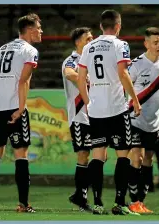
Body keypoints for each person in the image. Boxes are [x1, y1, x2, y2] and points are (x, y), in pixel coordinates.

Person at [0, 13, 43, 213]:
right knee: (20, 154)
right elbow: (23, 81)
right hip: (13, 106)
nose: (41, 32)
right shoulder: (30, 51)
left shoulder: (1, 49)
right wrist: (21, 108)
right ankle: (23, 204)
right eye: (39, 28)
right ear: (30, 30)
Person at [77, 9, 141, 215]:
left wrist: (88, 102)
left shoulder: (89, 46)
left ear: (101, 26)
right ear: (118, 25)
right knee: (123, 154)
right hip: (116, 108)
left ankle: (97, 203)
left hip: (96, 110)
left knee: (98, 156)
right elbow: (123, 73)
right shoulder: (121, 45)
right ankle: (119, 203)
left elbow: (80, 78)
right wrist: (136, 100)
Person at [127, 27, 159, 214]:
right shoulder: (136, 65)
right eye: (155, 42)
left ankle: (141, 201)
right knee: (135, 156)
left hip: (153, 122)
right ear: (146, 43)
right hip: (134, 119)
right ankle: (132, 200)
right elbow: (124, 90)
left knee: (148, 159)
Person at [62, 27, 93, 212]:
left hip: (95, 114)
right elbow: (69, 73)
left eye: (92, 38)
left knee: (99, 155)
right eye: (87, 39)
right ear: (78, 42)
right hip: (79, 115)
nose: (91, 41)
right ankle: (81, 197)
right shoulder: (73, 60)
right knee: (83, 154)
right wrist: (88, 79)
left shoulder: (93, 60)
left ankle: (79, 195)